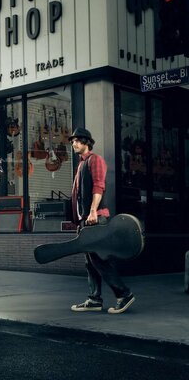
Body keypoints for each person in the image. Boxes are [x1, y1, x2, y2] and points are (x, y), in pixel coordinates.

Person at [68, 128, 135, 314]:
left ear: (85, 142)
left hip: (94, 218)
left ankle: (124, 294)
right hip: (85, 221)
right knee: (90, 262)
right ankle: (94, 299)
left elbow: (99, 186)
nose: (73, 144)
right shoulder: (82, 164)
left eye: (76, 141)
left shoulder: (94, 160)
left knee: (98, 259)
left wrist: (92, 212)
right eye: (72, 141)